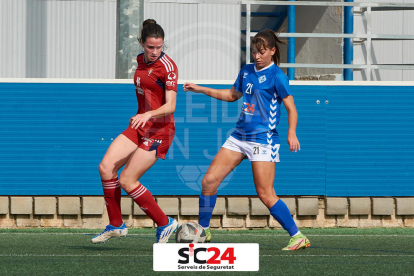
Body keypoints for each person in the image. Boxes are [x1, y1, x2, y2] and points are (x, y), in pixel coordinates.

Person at [183, 30, 310, 250]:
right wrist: (201, 89)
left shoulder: (278, 76)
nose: (257, 56)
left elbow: (292, 108)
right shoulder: (246, 71)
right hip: (239, 137)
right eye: (253, 52)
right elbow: (233, 95)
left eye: (261, 52)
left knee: (265, 193)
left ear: (272, 51)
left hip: (263, 140)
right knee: (208, 182)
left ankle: (298, 236)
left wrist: (292, 133)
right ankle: (203, 231)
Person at [92, 19, 179, 244]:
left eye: (159, 47)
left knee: (128, 180)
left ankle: (165, 223)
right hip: (140, 126)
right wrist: (143, 116)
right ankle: (116, 224)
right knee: (105, 168)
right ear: (142, 43)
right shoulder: (140, 60)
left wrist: (148, 114)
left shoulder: (168, 67)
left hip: (160, 130)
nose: (155, 51)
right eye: (150, 46)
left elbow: (171, 106)